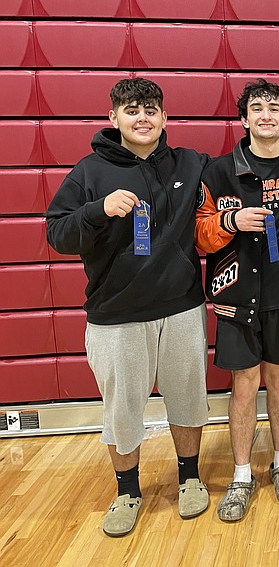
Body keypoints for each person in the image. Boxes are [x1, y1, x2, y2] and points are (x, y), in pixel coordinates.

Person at [45, 78, 211, 537]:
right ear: (113, 118)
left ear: (164, 118)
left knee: (188, 398)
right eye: (132, 109)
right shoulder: (88, 172)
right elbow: (56, 233)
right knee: (122, 410)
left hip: (180, 307)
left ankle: (191, 477)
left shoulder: (189, 163)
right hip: (115, 315)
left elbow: (245, 166)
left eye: (152, 109)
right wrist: (98, 210)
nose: (143, 117)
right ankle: (127, 491)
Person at [194, 78, 279, 521]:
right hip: (237, 297)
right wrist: (231, 220)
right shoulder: (218, 171)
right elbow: (199, 235)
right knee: (243, 386)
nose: (266, 114)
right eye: (257, 108)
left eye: (275, 108)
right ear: (244, 118)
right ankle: (240, 476)